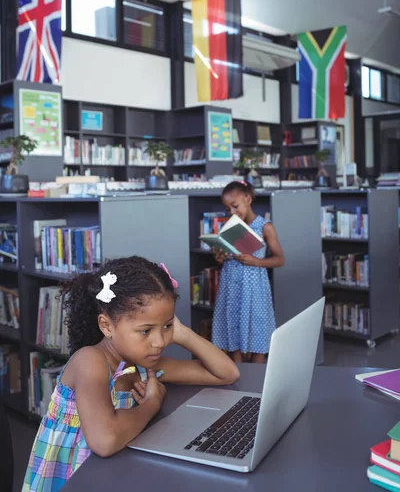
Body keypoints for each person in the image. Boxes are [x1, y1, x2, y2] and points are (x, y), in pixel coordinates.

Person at [23, 256, 239, 492]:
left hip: (116, 474)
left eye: (166, 327)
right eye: (145, 331)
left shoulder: (143, 366)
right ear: (106, 326)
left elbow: (226, 373)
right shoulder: (90, 361)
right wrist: (152, 403)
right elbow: (105, 441)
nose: (159, 342)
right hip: (75, 481)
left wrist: (182, 333)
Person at [212, 181, 285, 364]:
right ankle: (238, 381)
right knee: (232, 336)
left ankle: (257, 385)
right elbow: (223, 257)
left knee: (257, 336)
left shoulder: (264, 227)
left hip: (254, 290)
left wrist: (256, 261)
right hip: (231, 288)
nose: (232, 212)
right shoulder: (229, 227)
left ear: (248, 199)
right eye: (227, 208)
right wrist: (219, 257)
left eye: (235, 206)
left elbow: (279, 259)